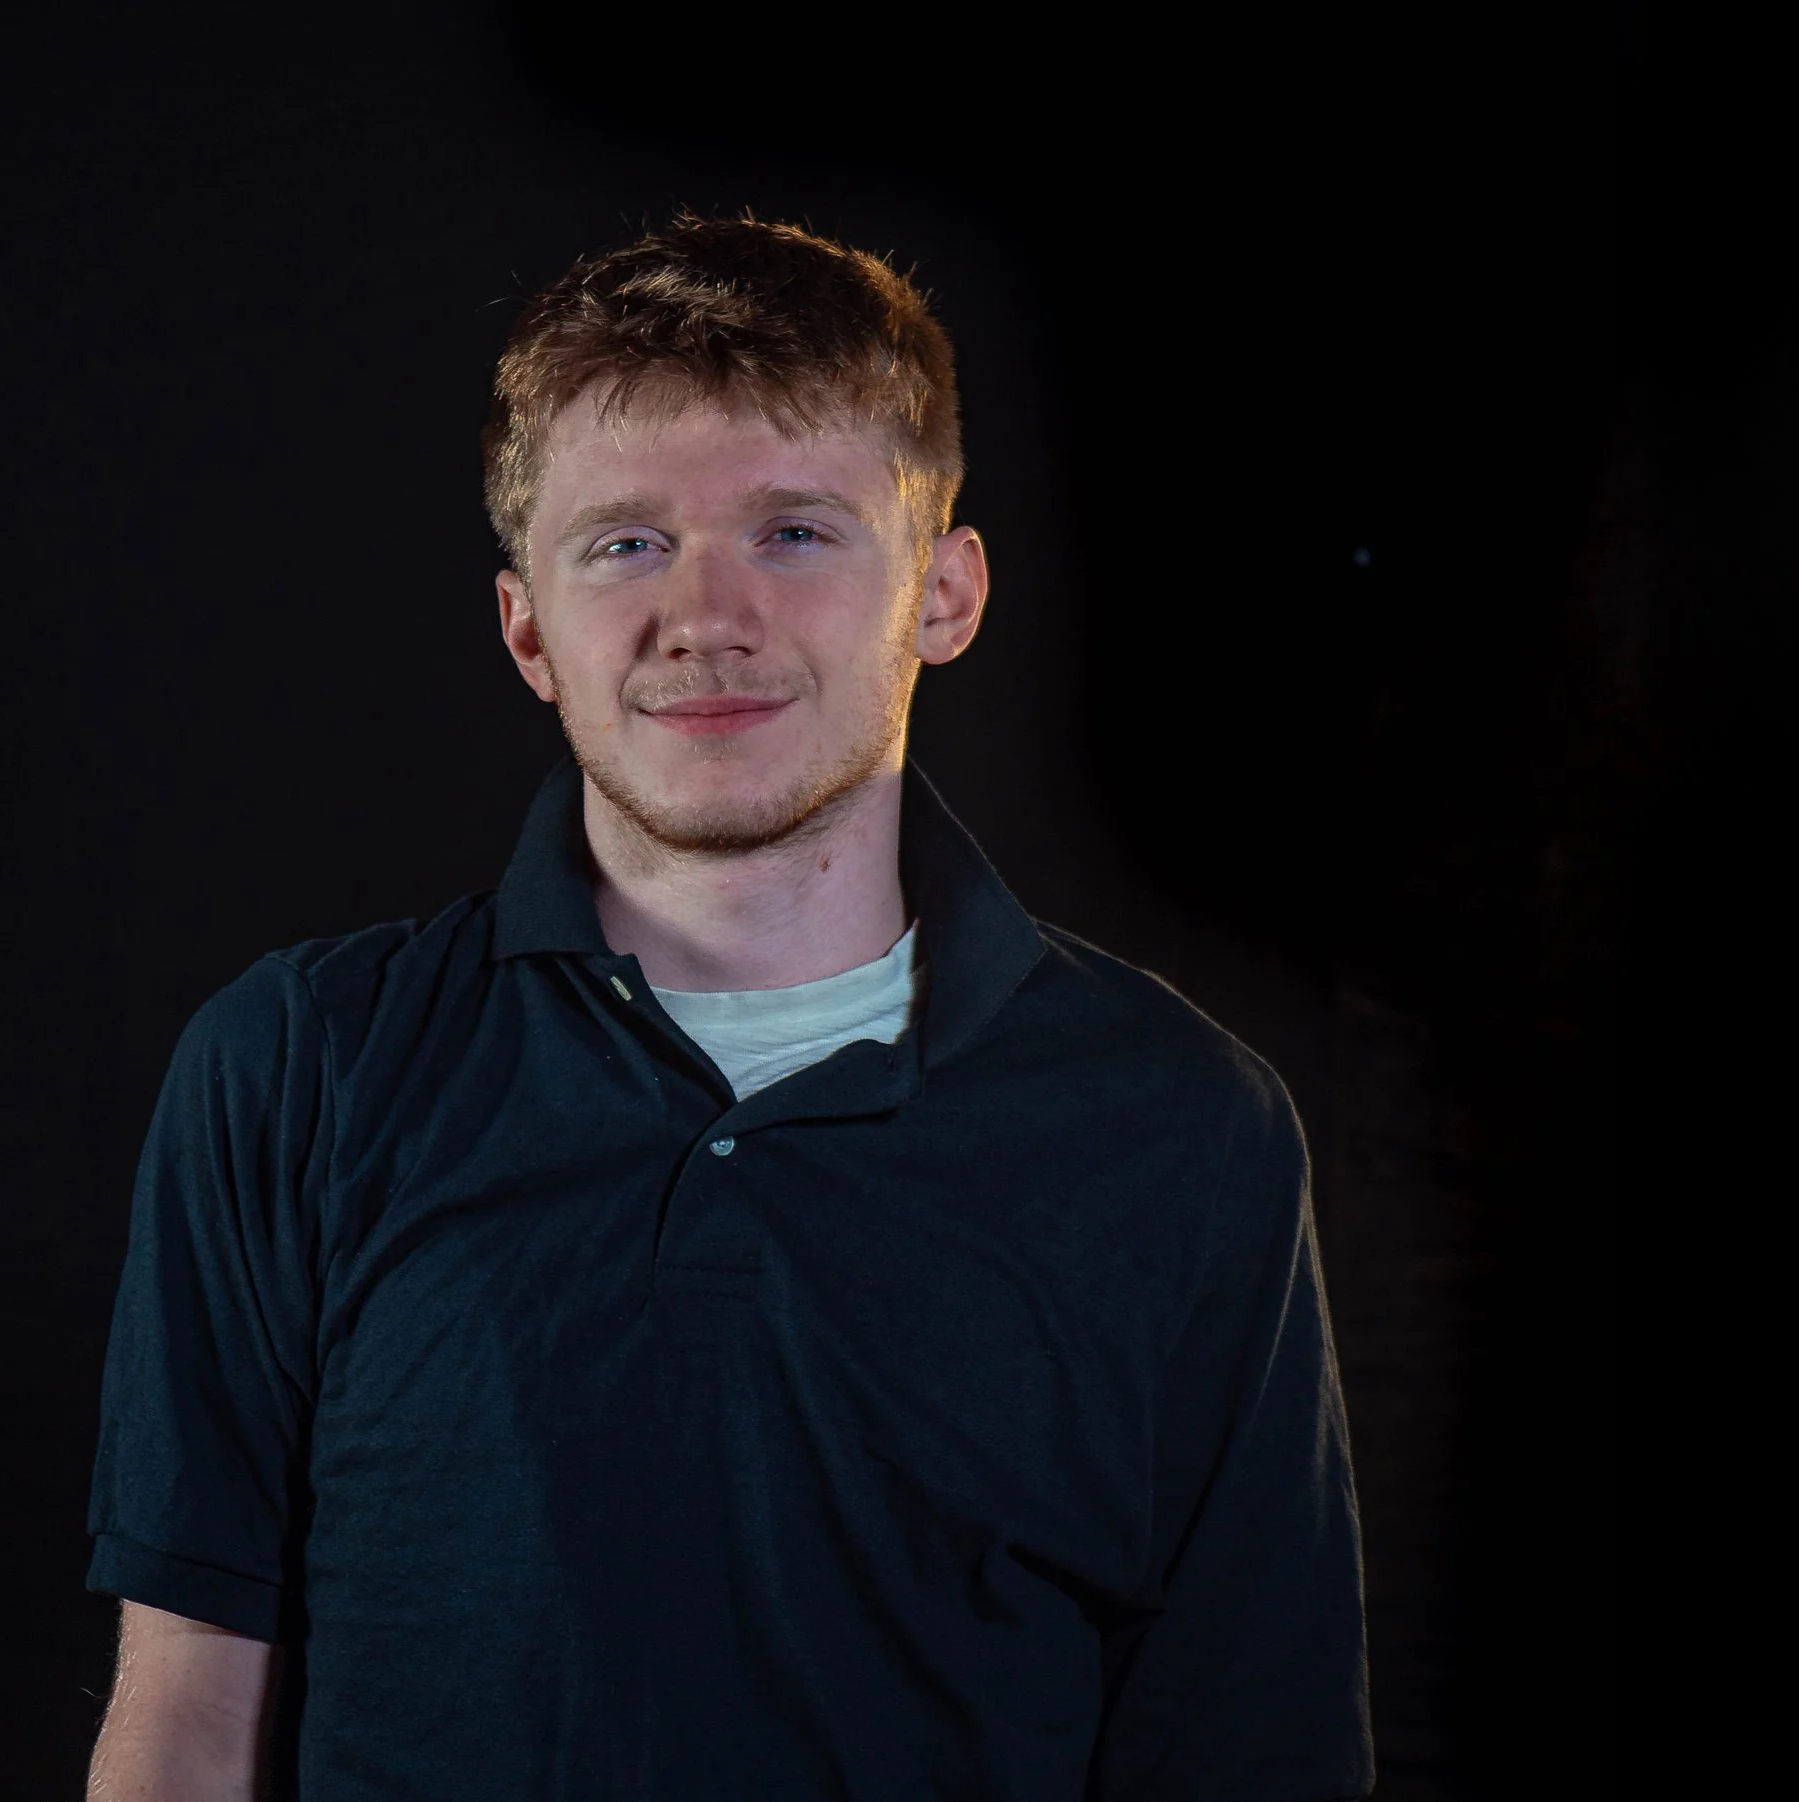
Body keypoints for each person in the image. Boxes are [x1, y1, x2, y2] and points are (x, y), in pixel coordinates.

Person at [83, 214, 1371, 1800]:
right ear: (527, 627)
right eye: (627, 541)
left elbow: (1255, 1755)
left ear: (946, 593)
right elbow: (187, 1719)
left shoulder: (1185, 1125)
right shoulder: (295, 1065)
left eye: (796, 532)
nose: (708, 614)